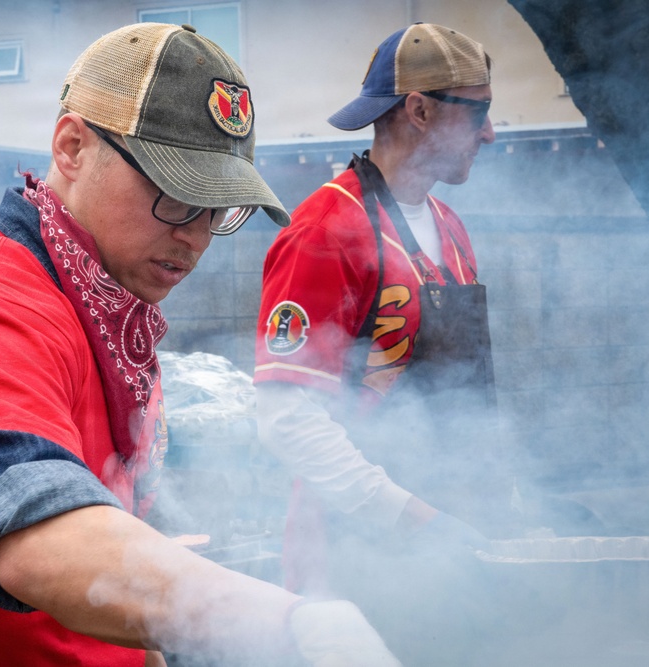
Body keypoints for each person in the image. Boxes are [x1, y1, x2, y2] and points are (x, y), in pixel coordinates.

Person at [0, 23, 402, 667]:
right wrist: (286, 625)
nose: (197, 237)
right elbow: (39, 535)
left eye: (219, 208)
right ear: (72, 147)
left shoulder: (109, 307)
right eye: (177, 194)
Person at [254, 23, 515, 665]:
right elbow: (286, 417)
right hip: (353, 555)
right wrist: (413, 518)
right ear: (419, 111)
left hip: (448, 539)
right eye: (477, 110)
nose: (489, 132)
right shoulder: (324, 230)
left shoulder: (450, 229)